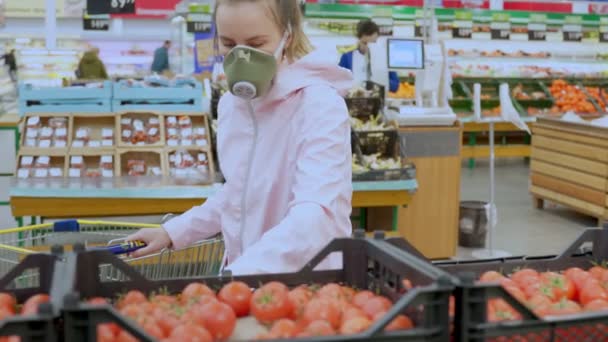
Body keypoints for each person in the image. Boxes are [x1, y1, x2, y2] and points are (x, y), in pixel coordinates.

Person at [127, 0, 353, 275]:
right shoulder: (232, 106)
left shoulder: (318, 105)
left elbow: (315, 215)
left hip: (307, 286)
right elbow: (238, 193)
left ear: (288, 37)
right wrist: (173, 231)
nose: (241, 57)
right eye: (229, 44)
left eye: (256, 44)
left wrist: (239, 274)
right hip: (245, 282)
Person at [339, 19, 399, 92]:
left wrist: (381, 79)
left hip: (377, 100)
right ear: (359, 39)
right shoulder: (347, 57)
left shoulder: (384, 58)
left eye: (373, 43)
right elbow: (338, 82)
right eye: (365, 43)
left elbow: (395, 86)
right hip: (353, 100)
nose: (368, 47)